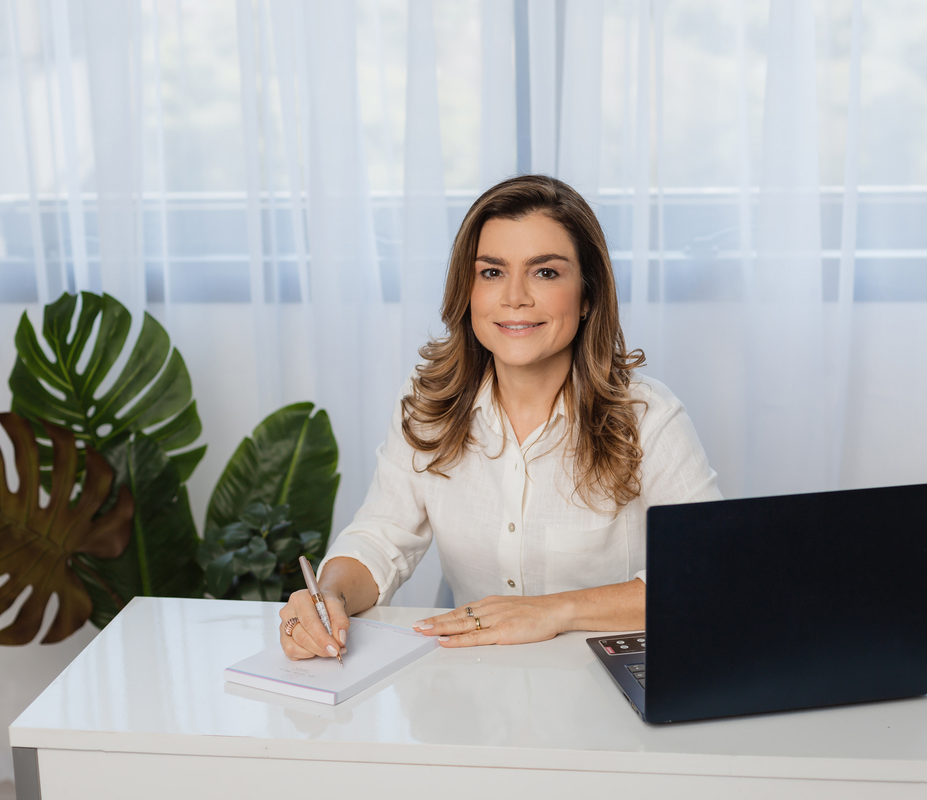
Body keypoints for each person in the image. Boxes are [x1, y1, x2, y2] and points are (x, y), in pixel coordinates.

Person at [278, 175, 721, 660]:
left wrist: (555, 611)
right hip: (475, 690)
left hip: (612, 690)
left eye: (545, 273)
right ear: (467, 291)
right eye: (491, 272)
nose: (515, 296)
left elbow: (709, 573)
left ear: (588, 295)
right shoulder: (429, 403)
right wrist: (331, 596)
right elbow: (380, 536)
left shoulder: (648, 416)